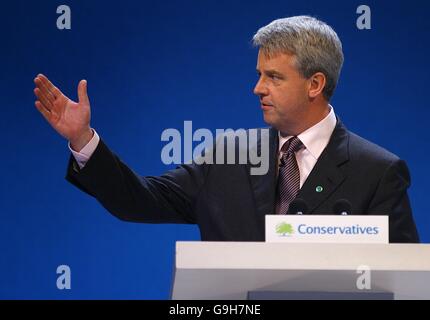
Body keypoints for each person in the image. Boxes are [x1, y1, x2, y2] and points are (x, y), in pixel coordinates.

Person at [33, 16, 419, 243]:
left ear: (314, 84)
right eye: (258, 75)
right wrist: (83, 139)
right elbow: (139, 200)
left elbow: (403, 281)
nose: (258, 88)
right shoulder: (228, 157)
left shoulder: (378, 172)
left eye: (273, 77)